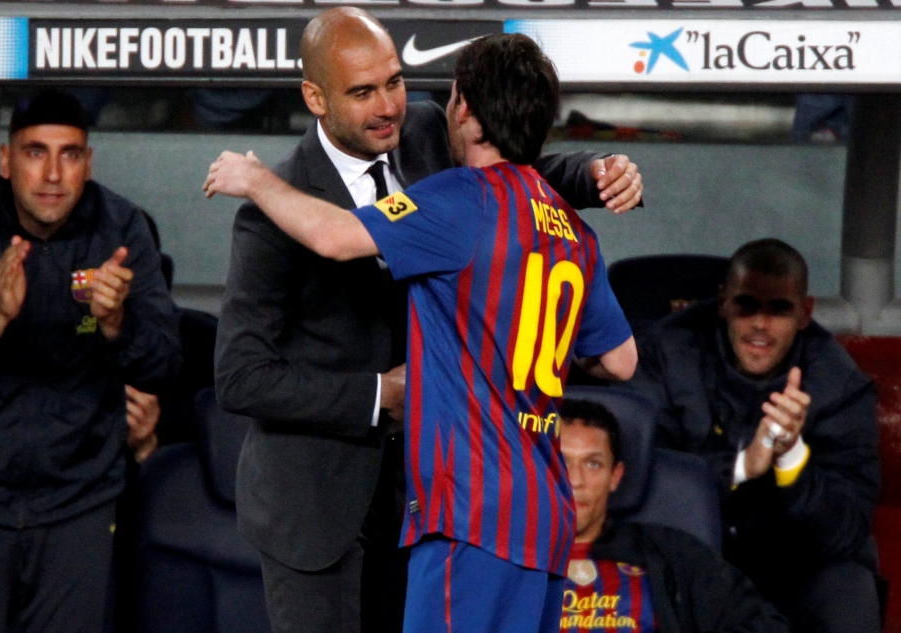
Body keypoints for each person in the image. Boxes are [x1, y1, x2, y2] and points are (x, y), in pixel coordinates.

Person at [209, 8, 643, 633]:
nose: (388, 105)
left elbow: (515, 167)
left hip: (437, 499)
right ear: (315, 97)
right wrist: (379, 395)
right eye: (363, 92)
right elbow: (241, 378)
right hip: (318, 506)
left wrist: (592, 173)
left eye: (395, 80)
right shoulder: (274, 210)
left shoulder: (429, 136)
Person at [0, 89, 182, 633]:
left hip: (78, 503)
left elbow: (166, 364)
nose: (53, 173)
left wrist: (115, 327)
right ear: (6, 160)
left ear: (88, 162)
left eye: (70, 154)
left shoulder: (121, 230)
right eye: (35, 152)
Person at [627, 238, 880, 632]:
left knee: (850, 588)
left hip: (791, 564)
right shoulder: (665, 352)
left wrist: (791, 456)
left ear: (804, 313)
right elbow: (637, 479)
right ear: (724, 300)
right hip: (690, 556)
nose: (760, 323)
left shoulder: (839, 385)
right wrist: (743, 465)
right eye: (746, 305)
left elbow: (845, 533)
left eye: (779, 308)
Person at [557, 399, 790, 633]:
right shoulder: (520, 561)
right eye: (562, 462)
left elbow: (768, 627)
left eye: (593, 464)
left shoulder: (672, 553)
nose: (575, 480)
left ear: (615, 476)